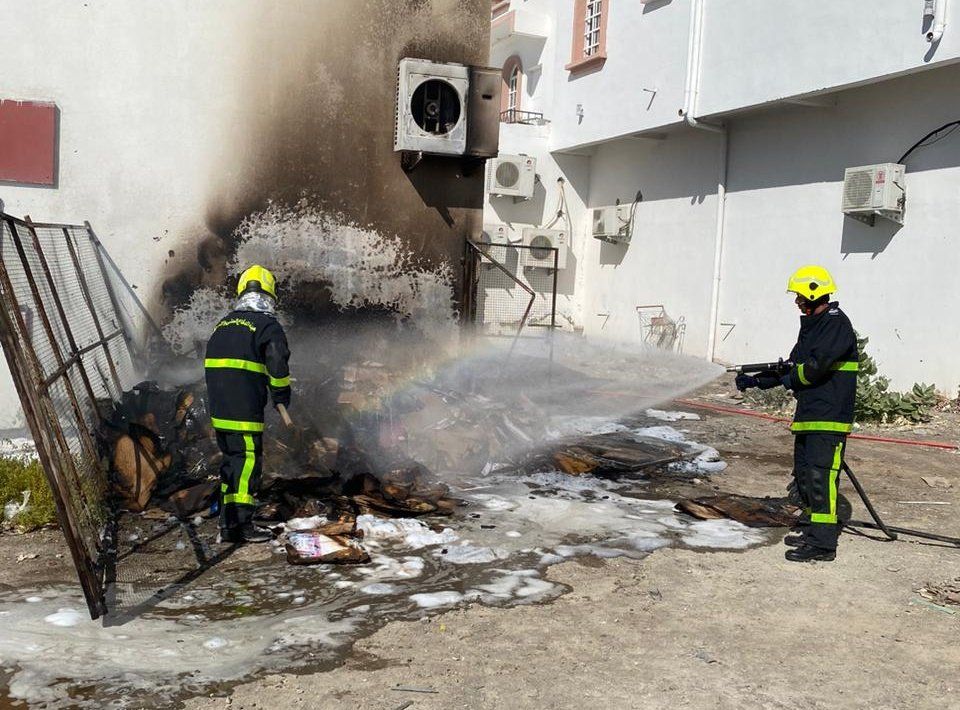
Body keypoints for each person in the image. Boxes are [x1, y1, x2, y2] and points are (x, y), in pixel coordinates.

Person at [736, 265, 858, 562]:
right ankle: (812, 528)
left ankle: (823, 544)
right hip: (810, 416)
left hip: (828, 417)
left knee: (821, 479)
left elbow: (814, 369)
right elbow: (792, 366)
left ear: (814, 292)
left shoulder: (835, 324)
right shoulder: (814, 326)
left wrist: (790, 377)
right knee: (805, 477)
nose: (797, 302)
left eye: (800, 296)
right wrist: (758, 380)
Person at [204, 265, 291, 543]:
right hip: (244, 411)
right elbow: (277, 365)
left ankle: (228, 524)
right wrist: (281, 398)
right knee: (248, 463)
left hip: (220, 410)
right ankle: (242, 524)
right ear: (270, 294)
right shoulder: (268, 326)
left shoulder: (224, 324)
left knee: (232, 463)